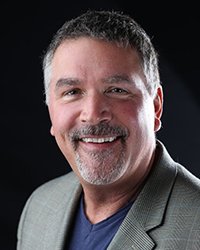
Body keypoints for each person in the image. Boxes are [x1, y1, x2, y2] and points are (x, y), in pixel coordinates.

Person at [17, 10, 200, 250]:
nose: (92, 113)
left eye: (116, 90)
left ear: (156, 107)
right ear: (51, 110)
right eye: (72, 92)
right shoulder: (39, 206)